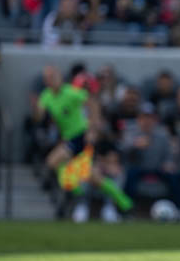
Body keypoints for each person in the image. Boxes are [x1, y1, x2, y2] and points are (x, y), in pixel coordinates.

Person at [34, 66, 133, 219]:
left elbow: (92, 103)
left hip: (80, 135)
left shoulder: (70, 92)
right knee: (94, 177)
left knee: (53, 161)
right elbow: (39, 115)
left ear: (60, 77)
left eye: (53, 76)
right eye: (47, 77)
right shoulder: (46, 96)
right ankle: (124, 202)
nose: (51, 80)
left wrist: (93, 127)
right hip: (68, 137)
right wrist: (40, 113)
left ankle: (73, 188)